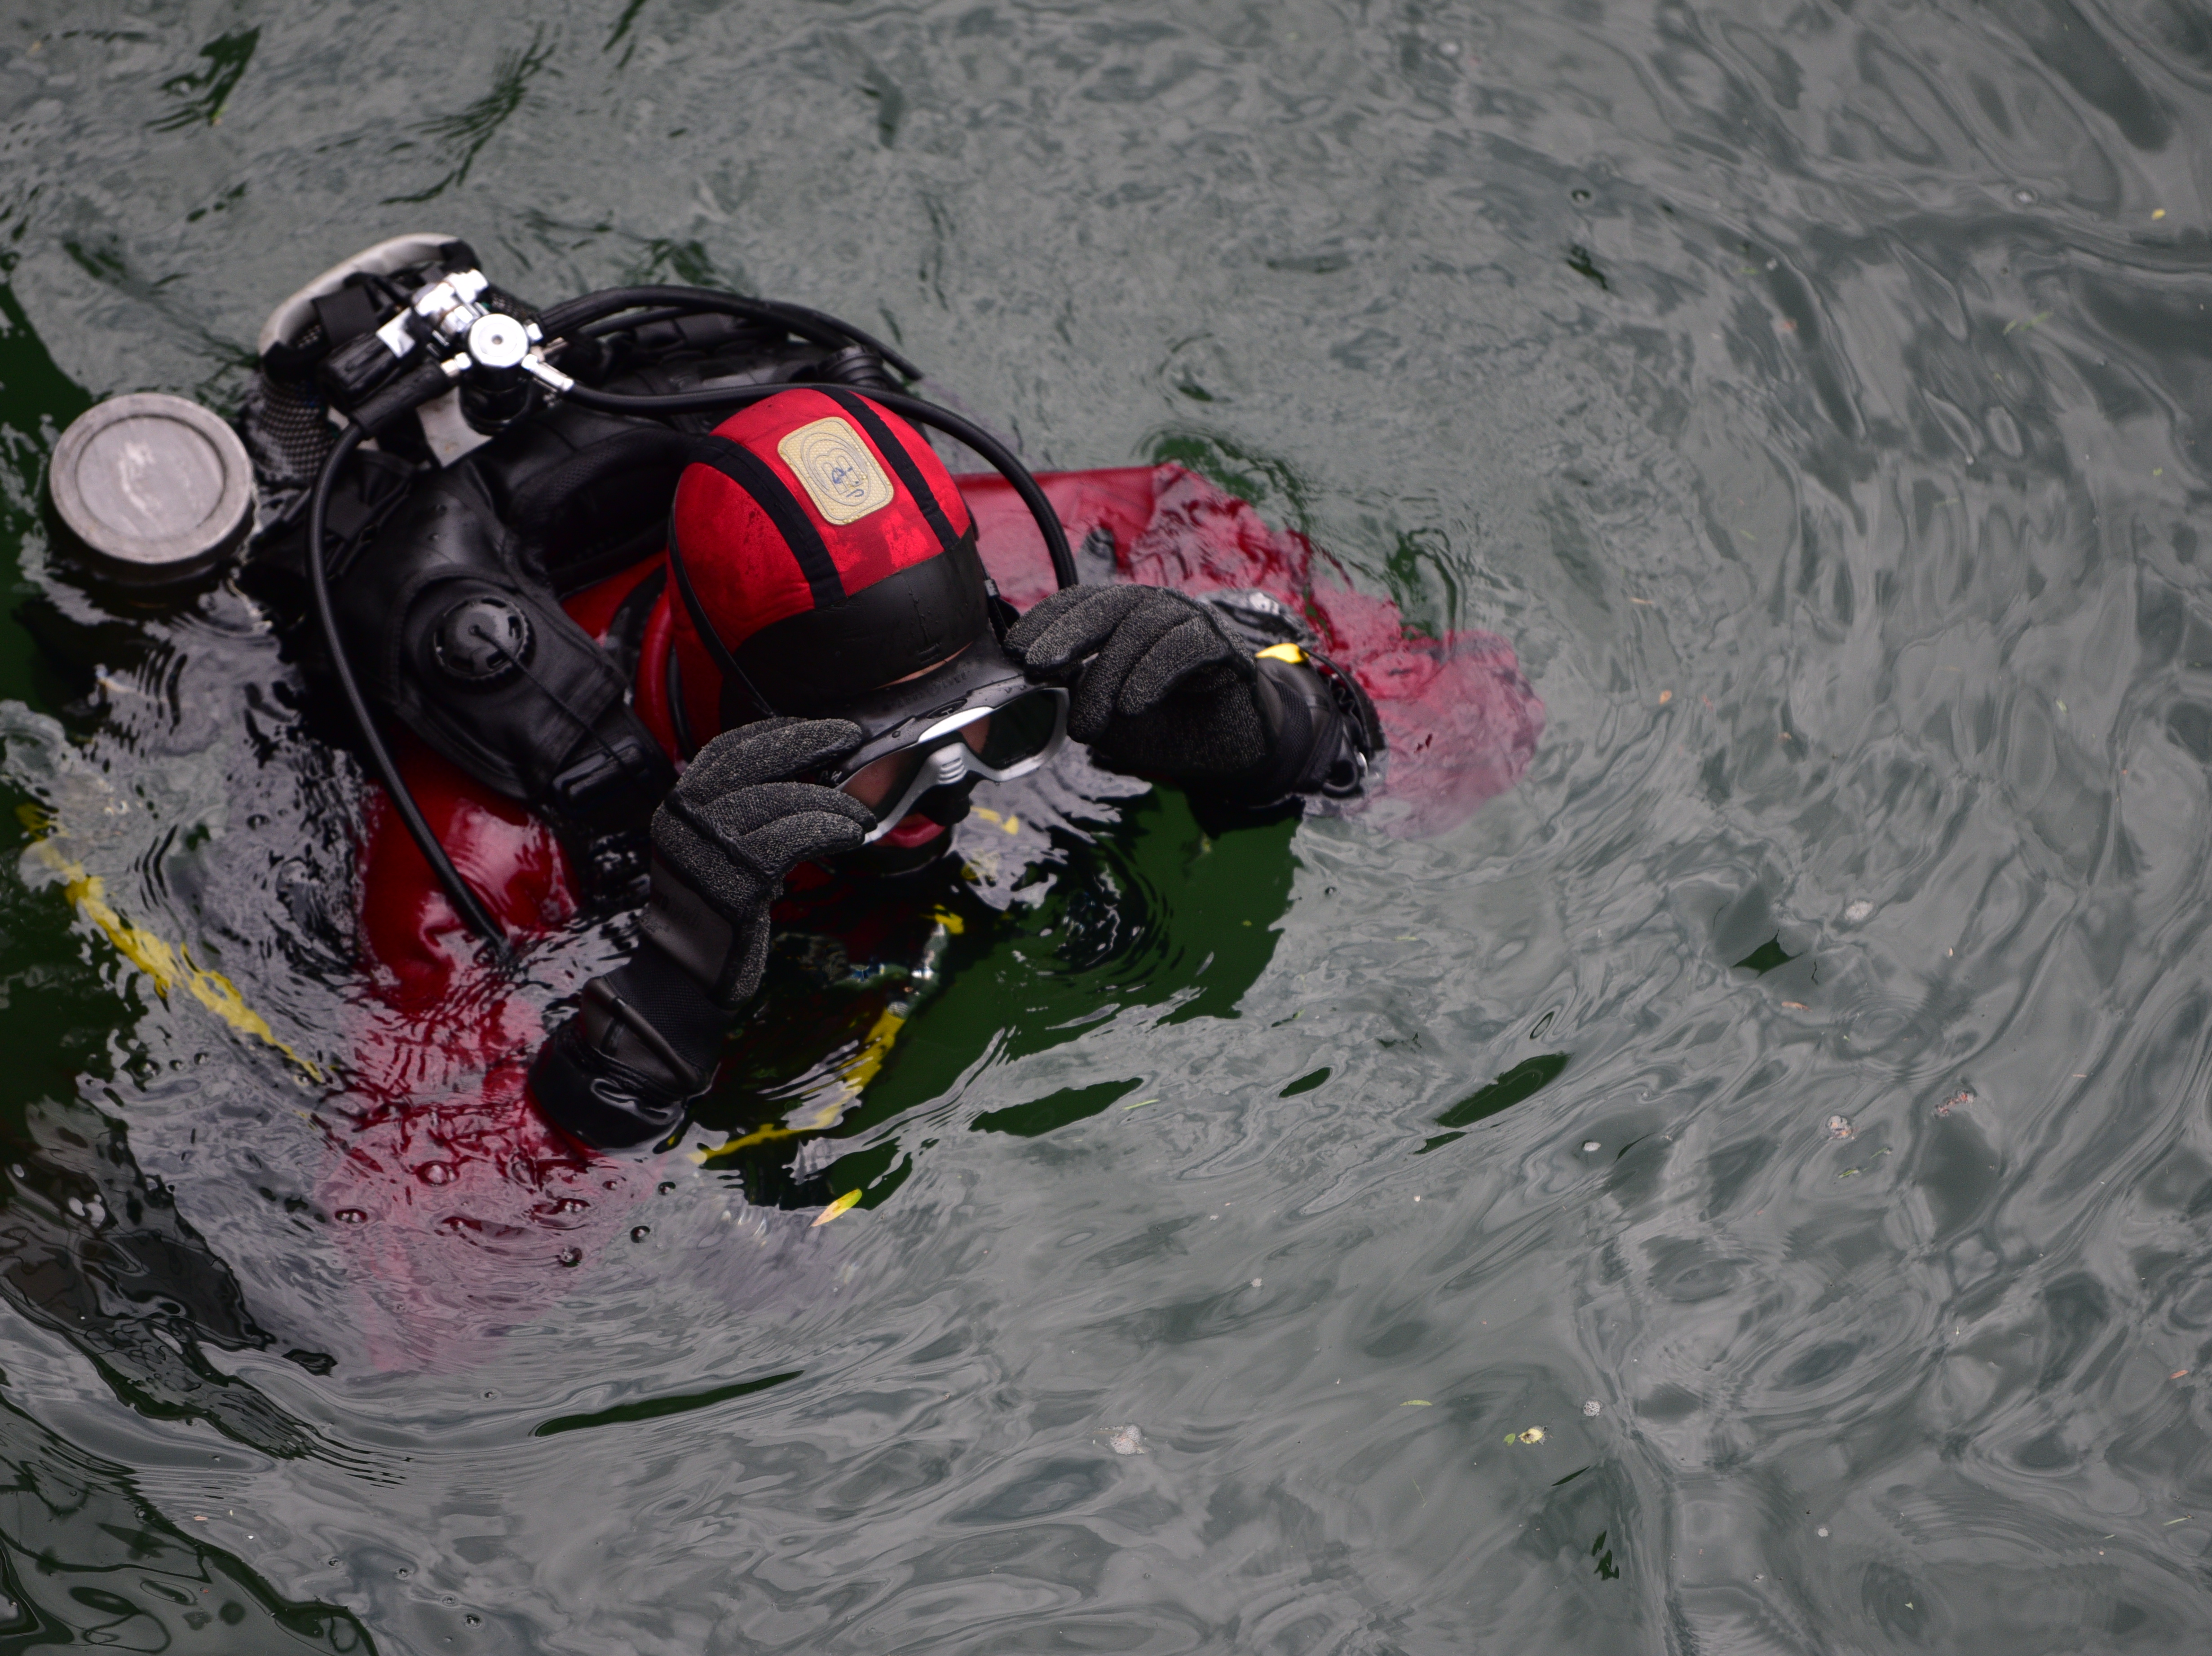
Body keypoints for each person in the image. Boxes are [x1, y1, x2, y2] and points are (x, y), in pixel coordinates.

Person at [249, 252, 1381, 1150]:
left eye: (991, 729)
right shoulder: (482, 843)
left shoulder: (1074, 555)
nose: (942, 804)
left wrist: (1286, 724)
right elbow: (423, 1302)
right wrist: (664, 1001)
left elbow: (1483, 725)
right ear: (736, 715)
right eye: (879, 774)